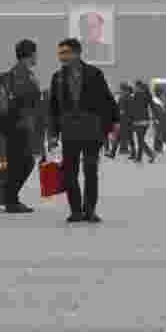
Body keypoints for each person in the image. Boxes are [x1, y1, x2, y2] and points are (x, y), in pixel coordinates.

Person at [48, 38, 119, 223]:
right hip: (69, 130)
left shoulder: (94, 74)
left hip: (92, 130)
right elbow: (53, 108)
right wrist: (53, 134)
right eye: (60, 53)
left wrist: (113, 124)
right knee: (70, 172)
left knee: (90, 170)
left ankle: (89, 211)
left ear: (77, 53)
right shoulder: (57, 77)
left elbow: (107, 100)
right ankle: (75, 211)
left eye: (65, 53)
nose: (61, 57)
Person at [0, 39, 42, 213]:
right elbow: (27, 102)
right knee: (24, 162)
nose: (37, 57)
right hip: (16, 126)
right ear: (29, 55)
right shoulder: (20, 76)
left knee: (21, 162)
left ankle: (10, 198)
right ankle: (10, 200)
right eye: (35, 53)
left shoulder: (22, 75)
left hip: (18, 126)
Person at [128, 81, 157, 164]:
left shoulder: (136, 95)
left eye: (135, 86)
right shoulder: (148, 95)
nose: (134, 88)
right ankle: (140, 157)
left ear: (138, 87)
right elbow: (153, 107)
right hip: (146, 120)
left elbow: (133, 108)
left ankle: (150, 154)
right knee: (141, 140)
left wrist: (131, 118)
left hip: (138, 120)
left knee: (140, 140)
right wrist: (155, 118)